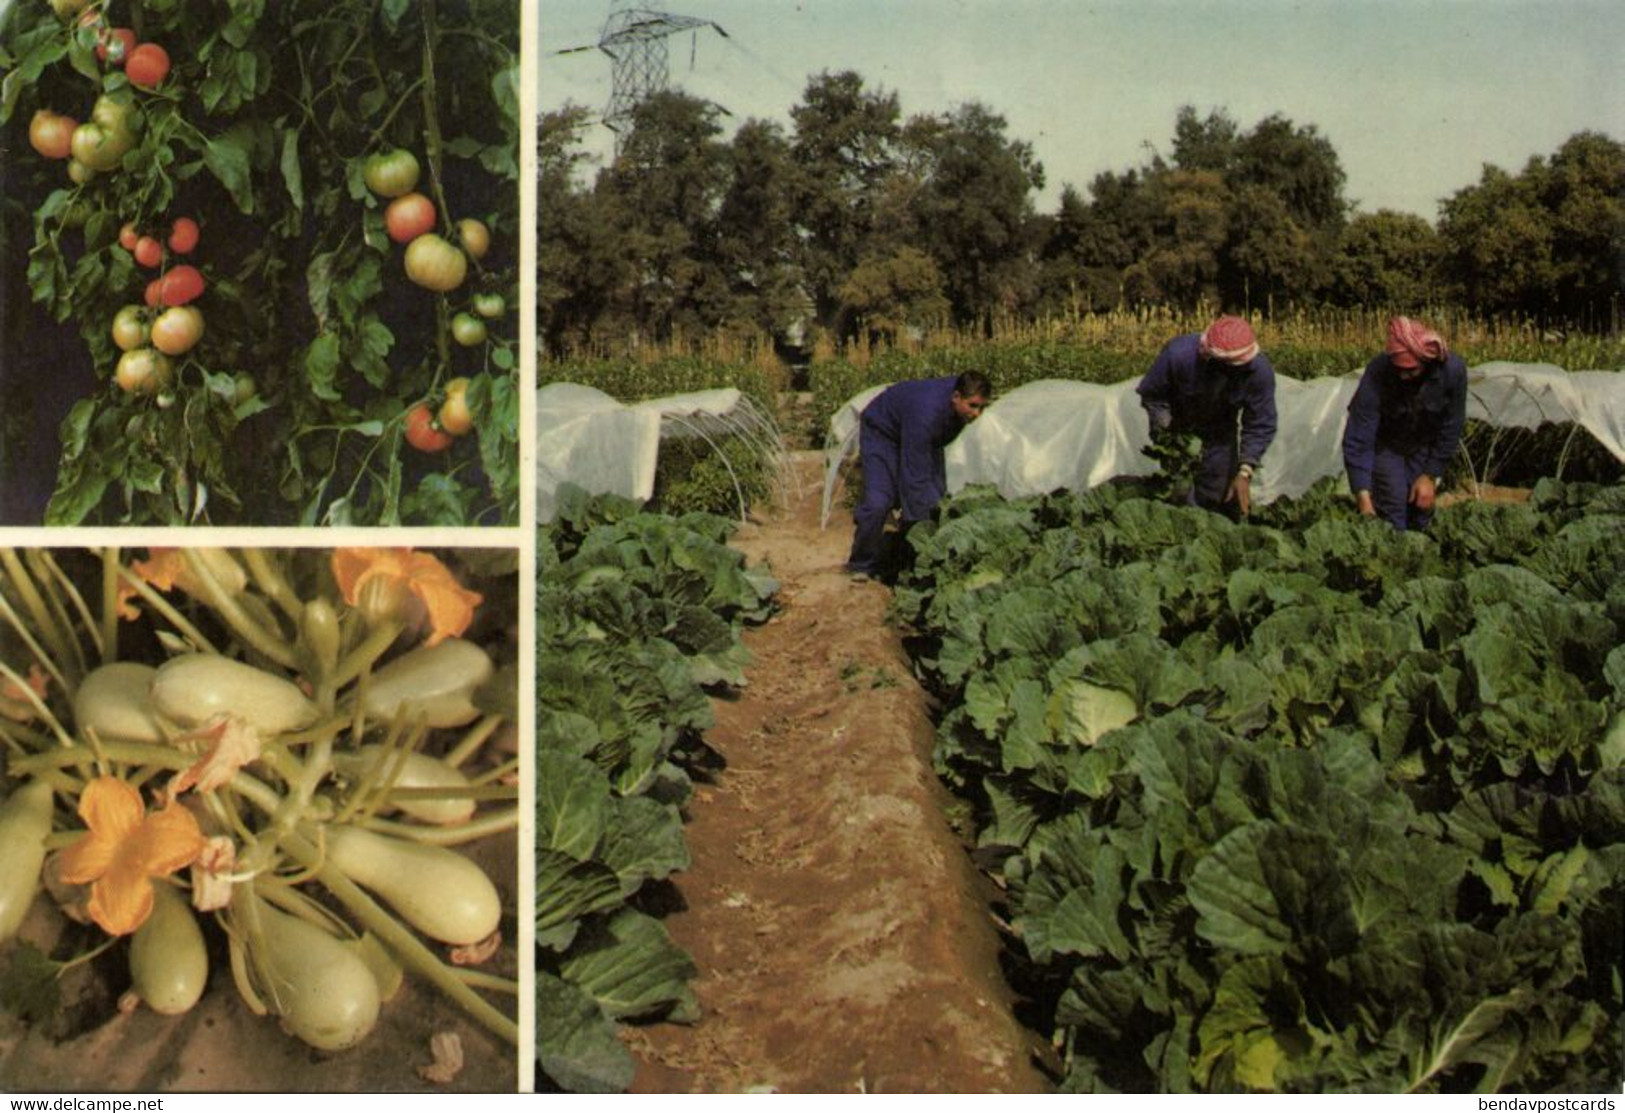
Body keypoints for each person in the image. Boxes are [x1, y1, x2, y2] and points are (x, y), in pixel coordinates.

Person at [845, 371, 991, 581]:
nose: (978, 413)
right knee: (879, 501)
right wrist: (925, 533)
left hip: (920, 433)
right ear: (956, 396)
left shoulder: (957, 405)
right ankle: (862, 563)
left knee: (937, 497)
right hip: (883, 433)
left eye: (983, 407)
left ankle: (901, 552)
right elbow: (915, 477)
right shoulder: (926, 413)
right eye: (973, 405)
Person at [1136, 315, 1277, 518]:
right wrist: (1168, 434)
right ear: (1211, 359)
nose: (1235, 373)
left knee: (1217, 494)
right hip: (1177, 426)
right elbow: (1153, 395)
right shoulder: (1179, 355)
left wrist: (1245, 471)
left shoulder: (1258, 372)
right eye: (1229, 368)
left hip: (1220, 430)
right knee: (1178, 491)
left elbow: (1260, 423)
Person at [1342, 316, 1468, 531]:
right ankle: (1393, 558)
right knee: (1393, 510)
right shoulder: (1378, 372)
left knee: (1421, 507)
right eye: (1399, 370)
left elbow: (1451, 425)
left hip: (1422, 444)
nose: (1404, 376)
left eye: (1411, 371)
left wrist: (1430, 475)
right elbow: (1359, 435)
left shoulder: (1452, 371)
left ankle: (1421, 557)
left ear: (1427, 362)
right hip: (1387, 445)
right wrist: (1363, 497)